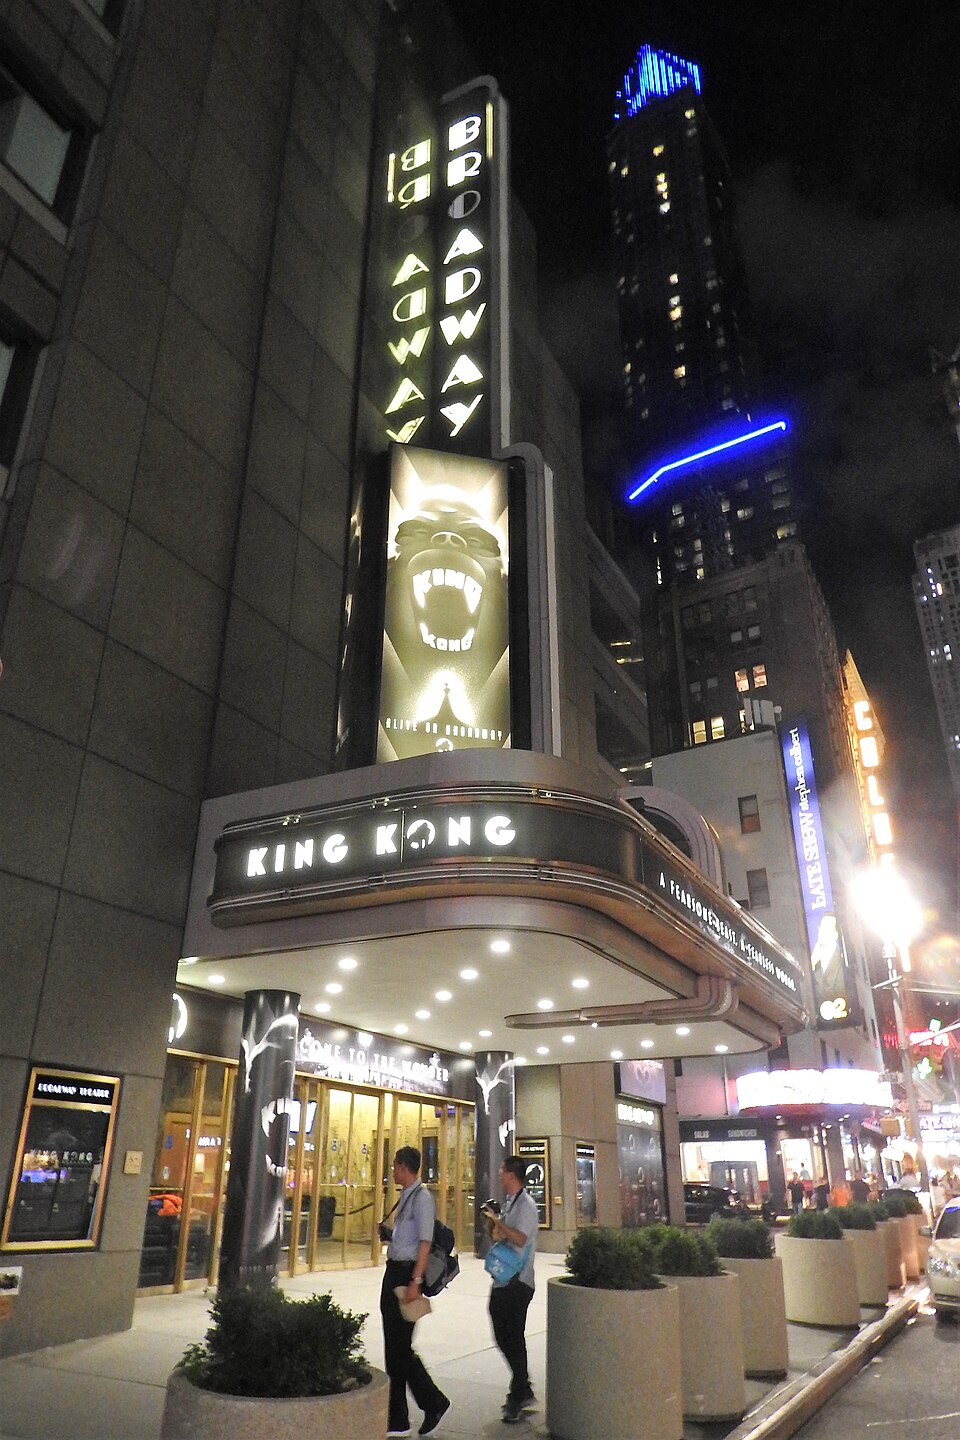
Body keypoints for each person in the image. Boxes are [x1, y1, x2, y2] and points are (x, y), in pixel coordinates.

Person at [380, 1146, 450, 1438]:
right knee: (393, 1350)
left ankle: (434, 1402)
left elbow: (424, 1241)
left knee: (401, 1349)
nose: (393, 1171)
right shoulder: (405, 1197)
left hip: (408, 1273)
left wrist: (416, 1280)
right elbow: (407, 1237)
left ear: (404, 1166)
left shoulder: (421, 1199)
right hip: (394, 1269)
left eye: (395, 1165)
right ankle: (398, 1419)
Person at [485, 1156, 539, 1424]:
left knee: (512, 1337)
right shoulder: (511, 1203)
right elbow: (502, 1236)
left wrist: (501, 1224)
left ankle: (518, 1394)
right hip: (504, 1279)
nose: (498, 1174)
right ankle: (522, 1387)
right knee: (503, 1333)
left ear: (511, 1175)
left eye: (501, 1170)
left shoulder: (526, 1205)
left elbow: (520, 1237)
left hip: (519, 1281)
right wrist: (494, 1224)